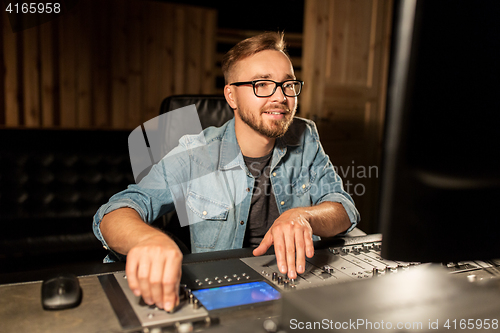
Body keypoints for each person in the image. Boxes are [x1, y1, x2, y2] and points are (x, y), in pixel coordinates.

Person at [93, 32, 359, 312]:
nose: (281, 96)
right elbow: (115, 211)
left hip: (292, 283)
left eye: (288, 84)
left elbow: (344, 208)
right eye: (263, 84)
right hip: (223, 293)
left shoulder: (305, 137)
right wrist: (147, 239)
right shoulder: (197, 152)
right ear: (231, 95)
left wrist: (303, 216)